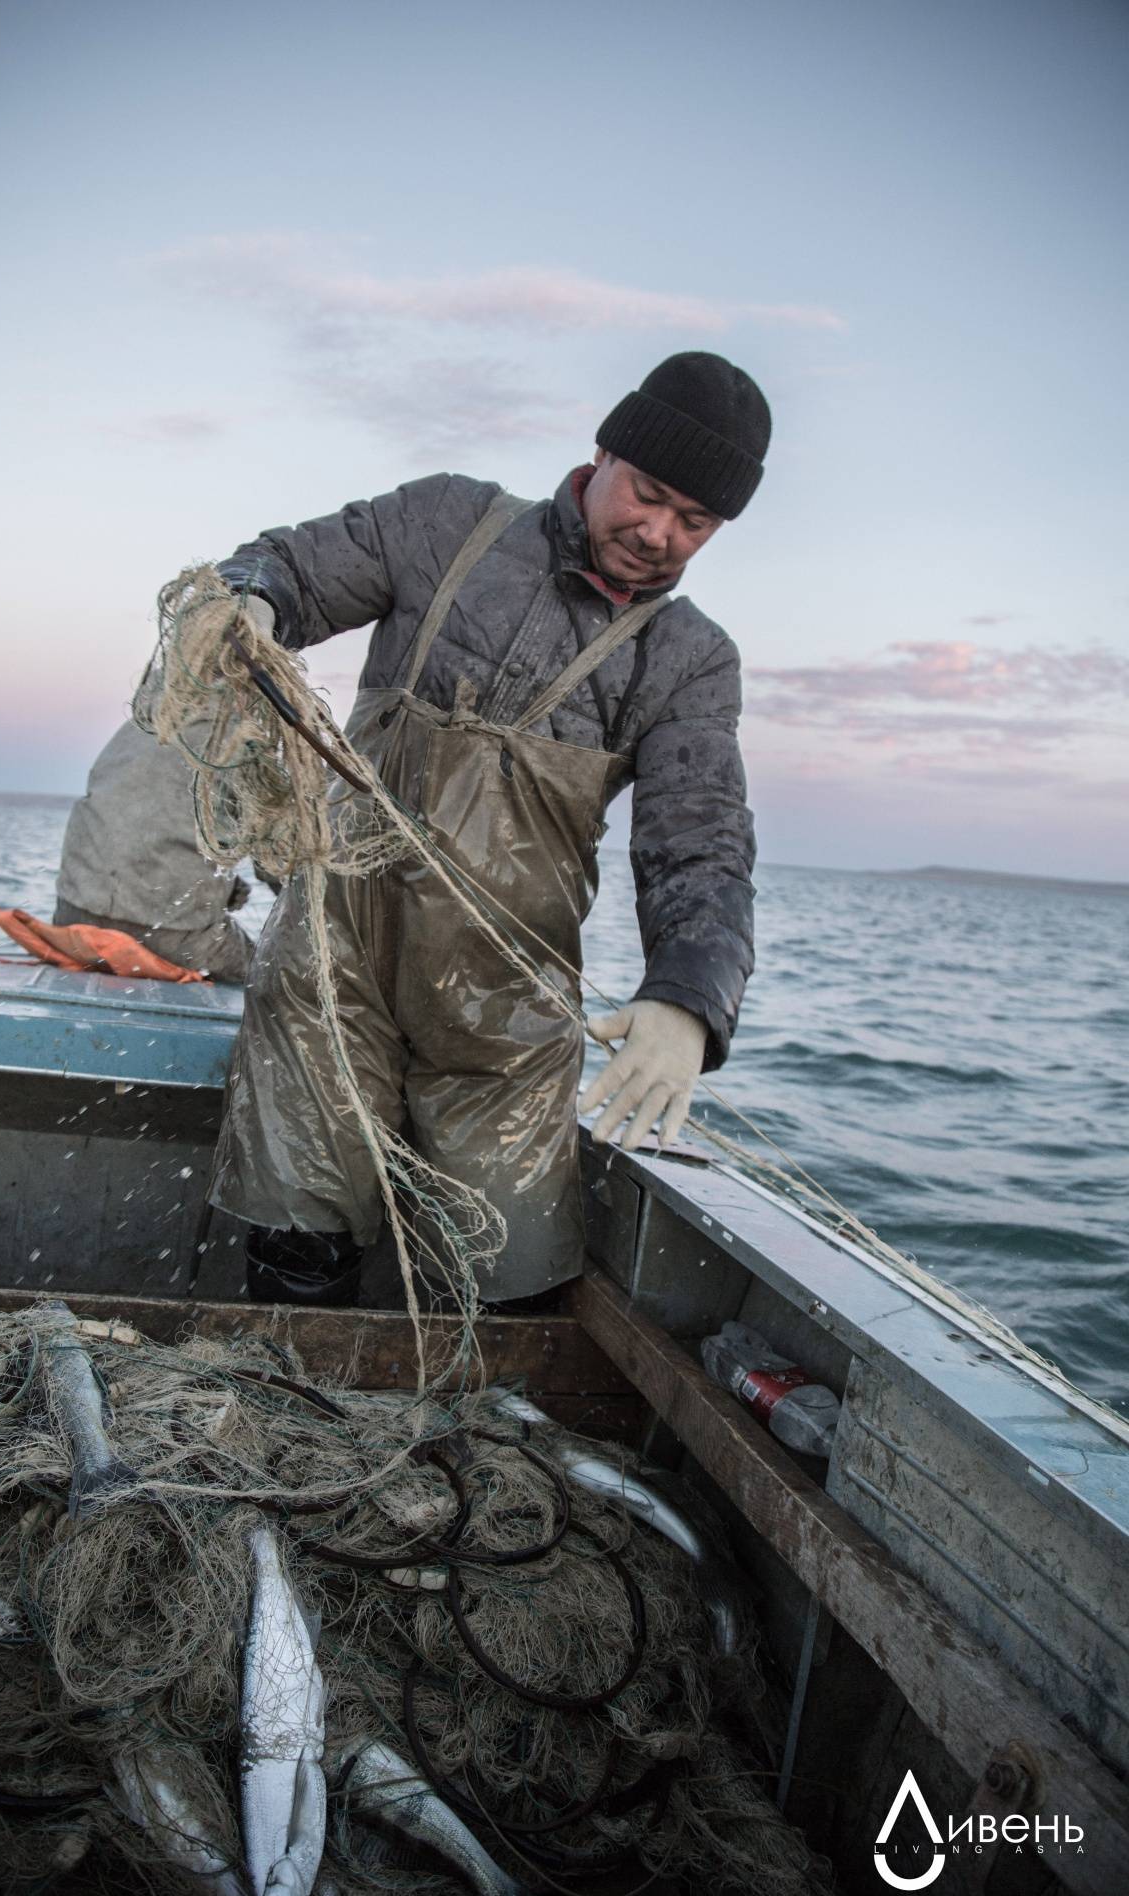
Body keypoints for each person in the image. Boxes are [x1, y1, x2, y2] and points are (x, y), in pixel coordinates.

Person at [207, 351, 767, 1307]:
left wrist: (690, 999)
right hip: (329, 969)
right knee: (298, 1252)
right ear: (604, 453)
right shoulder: (447, 520)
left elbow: (700, 843)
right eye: (650, 494)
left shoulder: (690, 660)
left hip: (504, 1019)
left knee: (503, 1284)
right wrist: (251, 600)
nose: (659, 533)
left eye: (695, 522)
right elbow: (286, 567)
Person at [54, 719, 256, 982]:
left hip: (72, 917)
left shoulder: (137, 724)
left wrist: (228, 888)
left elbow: (146, 836)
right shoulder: (242, 735)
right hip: (173, 936)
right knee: (269, 978)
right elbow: (280, 864)